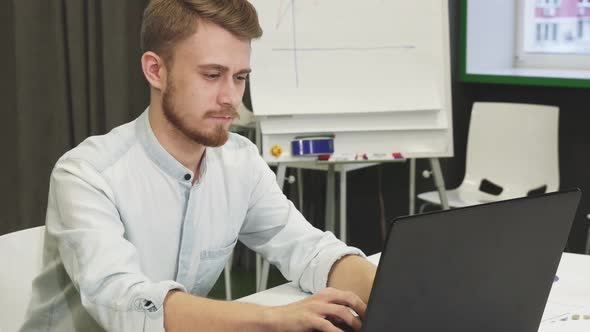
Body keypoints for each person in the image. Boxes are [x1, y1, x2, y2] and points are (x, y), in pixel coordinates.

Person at [21, 0, 377, 331]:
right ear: (156, 70)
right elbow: (126, 304)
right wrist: (273, 319)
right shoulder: (87, 174)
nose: (230, 98)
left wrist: (394, 290)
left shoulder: (239, 161)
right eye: (211, 75)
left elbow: (308, 249)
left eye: (239, 78)